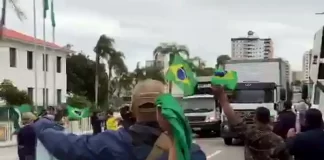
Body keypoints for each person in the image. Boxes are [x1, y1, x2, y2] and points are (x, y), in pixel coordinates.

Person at [31, 79, 206, 160]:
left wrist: (43, 124)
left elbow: (65, 145)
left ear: (132, 110)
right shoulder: (192, 152)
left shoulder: (109, 143)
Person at [212, 85, 290, 160]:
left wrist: (221, 97)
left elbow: (233, 119)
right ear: (269, 119)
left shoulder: (250, 134)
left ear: (255, 119)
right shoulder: (278, 140)